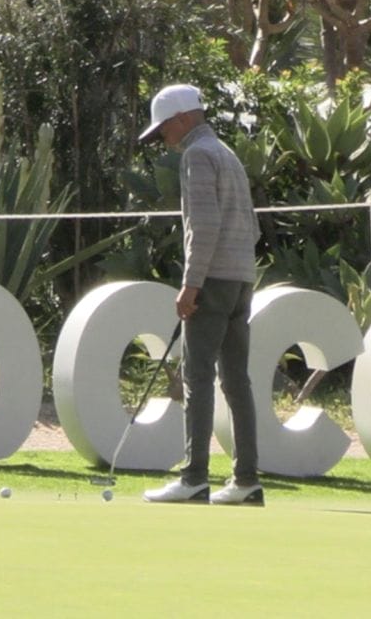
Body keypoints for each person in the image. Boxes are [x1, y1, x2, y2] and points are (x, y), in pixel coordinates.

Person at [137, 83, 264, 507]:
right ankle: (246, 481)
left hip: (212, 280)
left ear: (183, 119)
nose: (163, 139)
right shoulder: (225, 152)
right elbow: (251, 224)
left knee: (197, 378)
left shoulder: (197, 155)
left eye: (164, 130)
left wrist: (191, 286)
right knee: (236, 381)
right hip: (241, 277)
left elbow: (203, 229)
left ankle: (193, 478)